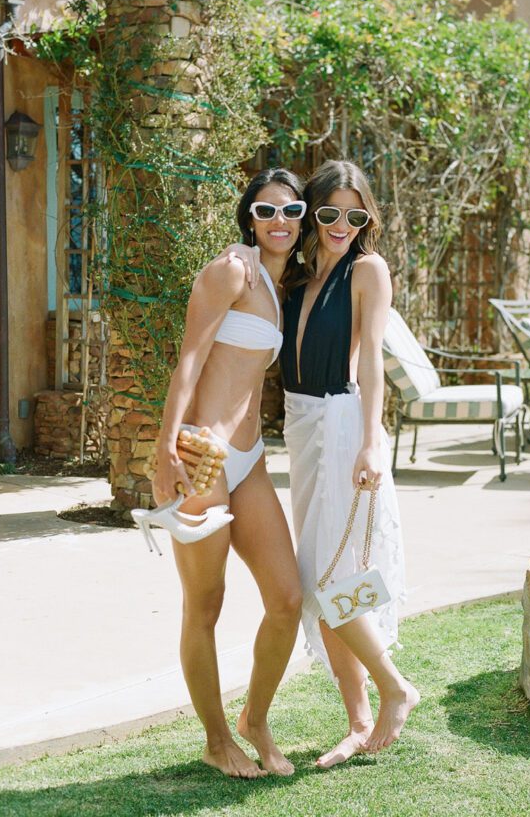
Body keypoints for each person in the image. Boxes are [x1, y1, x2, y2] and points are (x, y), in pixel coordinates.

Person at [228, 160, 418, 769]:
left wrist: (371, 440)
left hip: (342, 424)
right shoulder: (300, 278)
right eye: (330, 213)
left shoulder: (369, 269)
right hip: (304, 431)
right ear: (313, 212)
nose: (341, 225)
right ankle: (359, 721)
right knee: (330, 576)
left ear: (367, 219)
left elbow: (370, 367)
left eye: (354, 215)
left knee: (324, 573)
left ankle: (394, 689)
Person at [147, 168, 306, 779]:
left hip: (251, 460)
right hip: (201, 457)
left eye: (292, 213)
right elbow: (189, 359)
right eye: (268, 211)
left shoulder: (276, 282)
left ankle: (255, 719)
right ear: (249, 217)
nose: (280, 223)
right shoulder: (231, 269)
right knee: (204, 606)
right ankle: (217, 740)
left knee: (288, 598)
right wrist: (164, 450)